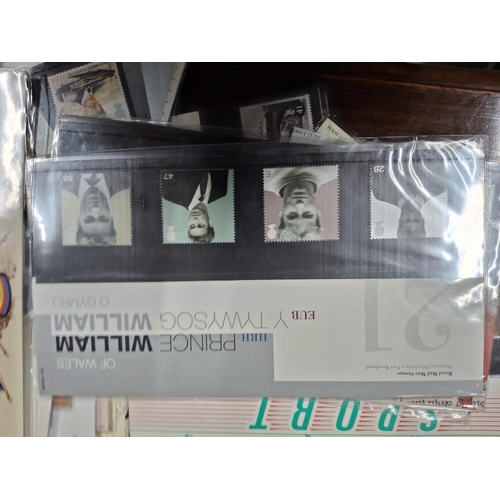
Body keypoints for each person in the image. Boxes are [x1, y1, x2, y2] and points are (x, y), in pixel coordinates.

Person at [371, 162, 447, 239]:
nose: (411, 214)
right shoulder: (439, 187)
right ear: (423, 220)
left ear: (400, 220)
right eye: (416, 220)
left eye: (406, 220)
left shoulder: (379, 192)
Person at [265, 166, 337, 241]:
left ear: (281, 215)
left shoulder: (262, 178)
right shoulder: (334, 168)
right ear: (318, 214)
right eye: (308, 214)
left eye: (292, 215)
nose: (300, 204)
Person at [162, 170, 229, 243]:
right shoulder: (221, 190)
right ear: (210, 223)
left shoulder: (169, 194)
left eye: (192, 226)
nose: (195, 220)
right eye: (201, 225)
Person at [62, 173, 129, 246]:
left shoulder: (61, 182)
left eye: (88, 219)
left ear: (78, 221)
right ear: (112, 220)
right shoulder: (127, 180)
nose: (95, 209)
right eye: (103, 218)